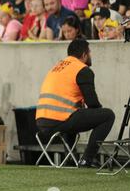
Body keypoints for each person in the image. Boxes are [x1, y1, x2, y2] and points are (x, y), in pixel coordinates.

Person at [36, 39, 115, 167]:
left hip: (42, 121)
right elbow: (93, 103)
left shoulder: (56, 68)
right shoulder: (82, 69)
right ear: (84, 55)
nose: (90, 55)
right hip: (60, 120)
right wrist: (96, 112)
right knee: (107, 115)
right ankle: (87, 159)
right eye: (89, 52)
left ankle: (70, 159)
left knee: (73, 114)